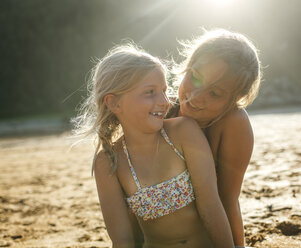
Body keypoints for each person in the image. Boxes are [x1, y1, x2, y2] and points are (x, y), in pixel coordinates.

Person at [72, 44, 234, 248]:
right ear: (114, 103)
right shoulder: (108, 163)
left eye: (164, 91)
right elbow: (123, 240)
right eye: (150, 92)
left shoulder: (184, 132)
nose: (164, 101)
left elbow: (211, 206)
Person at [167, 29, 262, 247]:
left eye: (214, 93)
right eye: (195, 77)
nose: (196, 96)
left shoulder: (232, 123)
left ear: (234, 99)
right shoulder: (162, 111)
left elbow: (228, 199)